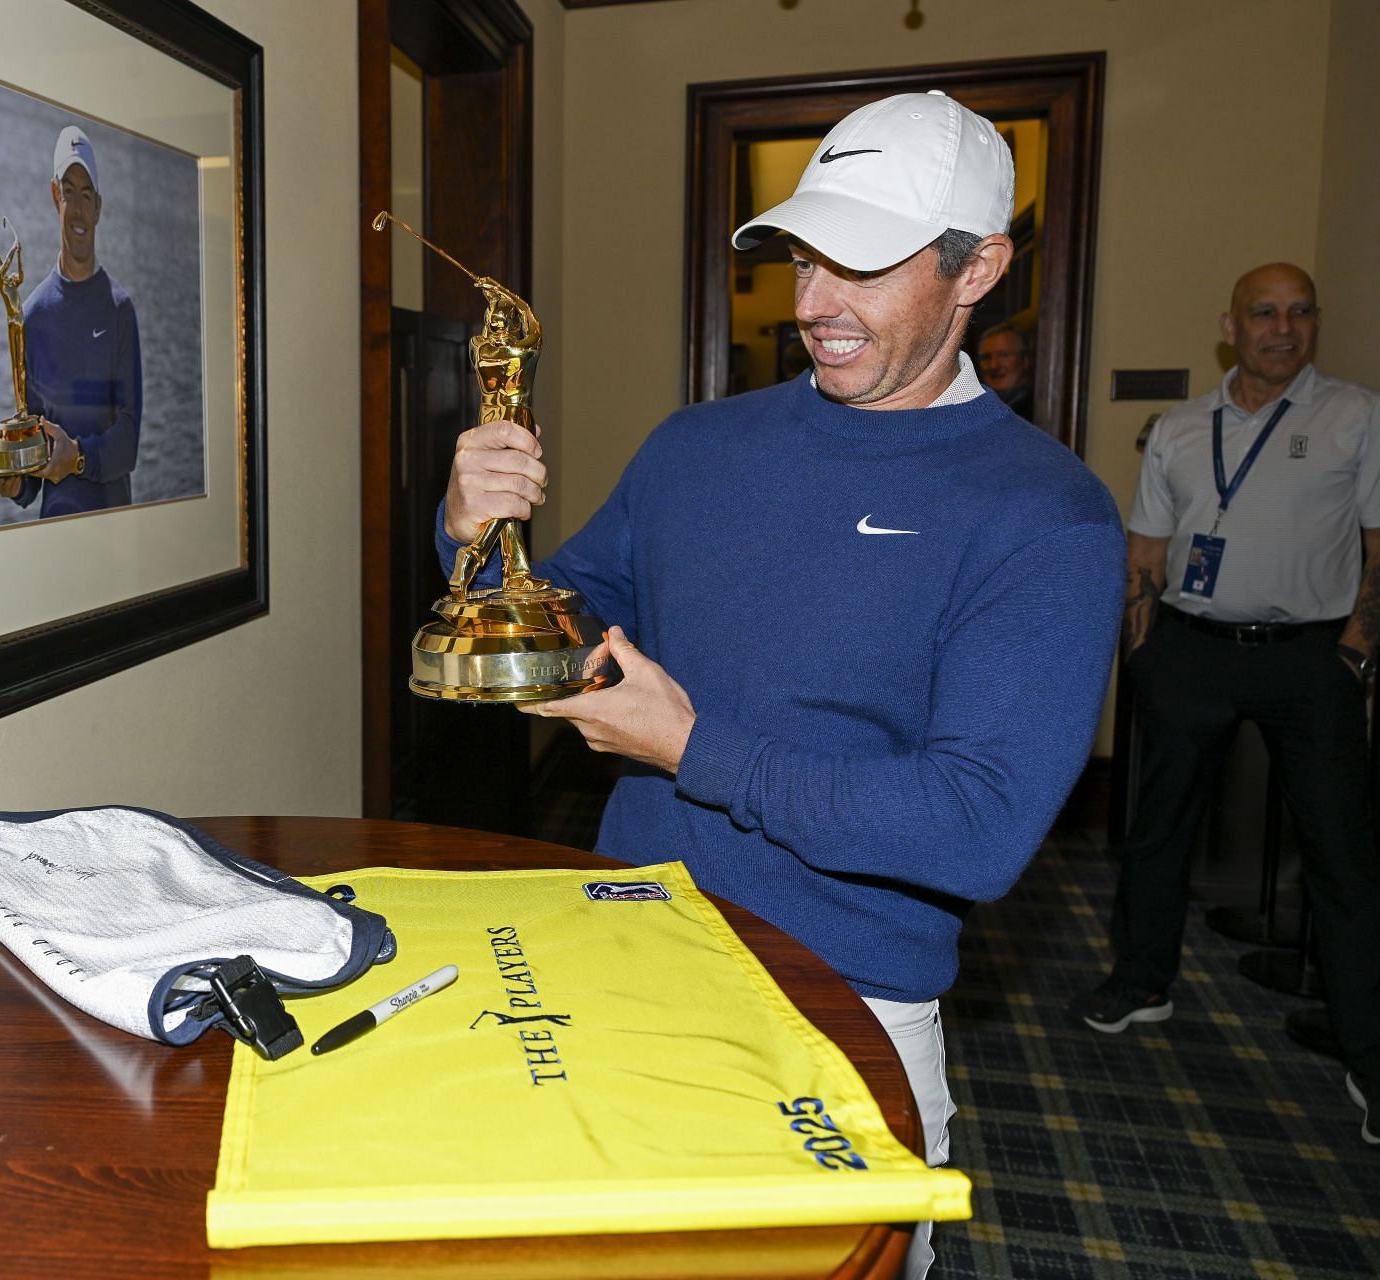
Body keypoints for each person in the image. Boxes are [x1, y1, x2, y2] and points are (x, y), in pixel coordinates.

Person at [440, 91, 1125, 1275]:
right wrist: (468, 537)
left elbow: (975, 828)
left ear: (980, 269)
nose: (812, 304)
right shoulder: (694, 445)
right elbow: (564, 612)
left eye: (860, 263)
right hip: (619, 956)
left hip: (838, 1007)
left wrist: (695, 749)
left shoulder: (1046, 514)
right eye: (805, 257)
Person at [1069, 263, 1380, 1148]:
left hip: (1309, 661)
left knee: (1343, 857)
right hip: (1191, 653)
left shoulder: (1357, 417)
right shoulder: (1178, 429)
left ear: (1315, 323)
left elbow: (1378, 546)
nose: (1282, 328)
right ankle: (1141, 982)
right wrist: (1146, 660)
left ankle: (1370, 1051)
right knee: (1155, 827)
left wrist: (1355, 657)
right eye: (1263, 313)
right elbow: (1146, 555)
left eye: (1298, 312)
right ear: (1230, 325)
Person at [0, 124, 143, 515]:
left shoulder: (119, 310)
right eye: (69, 192)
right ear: (55, 195)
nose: (77, 209)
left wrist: (77, 457)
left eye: (86, 194)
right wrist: (13, 482)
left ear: (99, 207)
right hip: (55, 539)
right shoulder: (35, 316)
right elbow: (33, 451)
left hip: (114, 532)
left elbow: (128, 443)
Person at [976, 321, 1033, 417]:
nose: (994, 365)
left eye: (1004, 355)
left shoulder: (1039, 412)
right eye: (986, 357)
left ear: (1024, 361)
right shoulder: (973, 411)